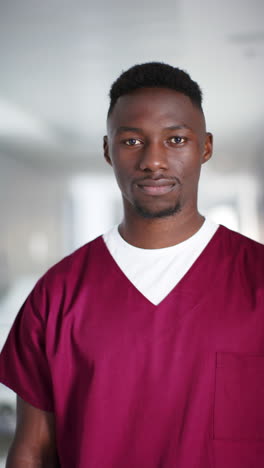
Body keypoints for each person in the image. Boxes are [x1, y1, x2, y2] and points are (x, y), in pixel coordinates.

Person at [0, 62, 263, 468]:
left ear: (205, 147)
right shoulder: (58, 294)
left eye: (176, 139)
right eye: (132, 141)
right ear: (108, 150)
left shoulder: (257, 277)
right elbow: (32, 450)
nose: (153, 161)